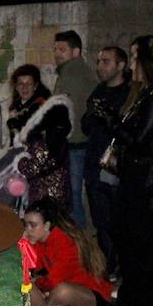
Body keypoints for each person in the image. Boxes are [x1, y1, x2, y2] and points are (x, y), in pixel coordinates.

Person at [111, 35, 153, 306]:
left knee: (141, 240)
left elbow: (140, 141)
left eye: (134, 56)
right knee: (130, 238)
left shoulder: (152, 97)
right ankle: (135, 298)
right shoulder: (141, 94)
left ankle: (142, 302)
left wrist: (113, 123)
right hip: (134, 176)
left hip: (145, 179)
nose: (131, 64)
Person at [80, 46, 130, 275]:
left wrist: (108, 118)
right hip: (94, 165)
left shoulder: (129, 93)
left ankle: (120, 268)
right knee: (101, 221)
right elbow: (87, 125)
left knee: (117, 222)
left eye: (106, 62)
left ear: (121, 65)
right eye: (99, 61)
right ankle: (107, 267)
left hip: (116, 168)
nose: (100, 66)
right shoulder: (98, 91)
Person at [23, 199, 113, 306]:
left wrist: (38, 282)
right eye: (26, 225)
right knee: (23, 281)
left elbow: (54, 281)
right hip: (63, 287)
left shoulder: (65, 242)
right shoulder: (40, 241)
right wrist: (24, 244)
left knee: (62, 291)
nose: (28, 230)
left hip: (92, 293)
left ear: (47, 225)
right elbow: (30, 266)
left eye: (33, 225)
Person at [8, 64, 72, 208]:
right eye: (20, 84)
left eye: (28, 83)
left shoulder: (43, 113)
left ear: (36, 85)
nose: (24, 88)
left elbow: (39, 152)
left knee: (50, 217)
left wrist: (19, 162)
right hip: (35, 174)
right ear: (16, 87)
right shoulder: (19, 107)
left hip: (47, 176)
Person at [52, 30, 99, 227]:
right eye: (55, 49)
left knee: (72, 197)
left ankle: (78, 243)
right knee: (74, 195)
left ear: (76, 51)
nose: (57, 54)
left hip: (73, 145)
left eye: (62, 49)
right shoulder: (82, 72)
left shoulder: (71, 74)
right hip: (80, 143)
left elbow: (61, 112)